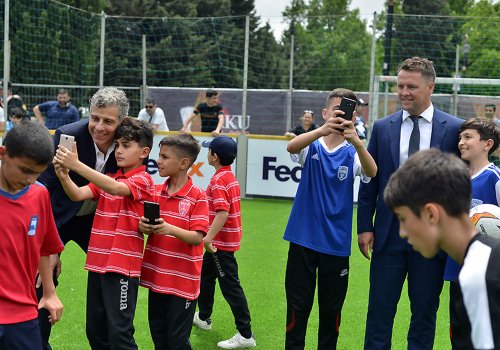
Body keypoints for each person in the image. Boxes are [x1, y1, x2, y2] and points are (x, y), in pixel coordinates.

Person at [357, 57, 464, 350]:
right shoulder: (381, 127)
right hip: (388, 235)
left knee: (424, 315)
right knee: (379, 312)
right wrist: (365, 226)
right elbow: (370, 179)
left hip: (432, 240)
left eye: (411, 86)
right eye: (400, 86)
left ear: (430, 87)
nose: (403, 92)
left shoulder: (454, 129)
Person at [283, 88, 377, 349]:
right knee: (296, 310)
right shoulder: (312, 142)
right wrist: (322, 130)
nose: (342, 116)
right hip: (302, 239)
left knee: (331, 314)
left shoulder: (352, 150)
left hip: (335, 245)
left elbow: (371, 171)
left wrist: (358, 141)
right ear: (325, 113)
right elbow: (291, 147)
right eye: (337, 110)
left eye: (349, 112)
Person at [53, 117, 155, 349]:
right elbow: (77, 195)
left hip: (121, 268)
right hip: (98, 264)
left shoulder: (143, 180)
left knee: (119, 333)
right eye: (117, 145)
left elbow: (117, 190)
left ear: (144, 152)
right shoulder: (110, 177)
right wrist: (64, 175)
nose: (118, 151)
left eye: (126, 146)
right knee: (95, 331)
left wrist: (77, 165)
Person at [384, 148, 500, 350]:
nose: (402, 232)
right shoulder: (481, 261)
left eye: (403, 219)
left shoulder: (479, 277)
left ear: (431, 214)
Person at [36, 87, 126, 349]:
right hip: (60, 219)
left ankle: (106, 343)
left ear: (122, 121)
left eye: (108, 121)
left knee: (110, 278)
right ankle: (39, 343)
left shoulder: (130, 140)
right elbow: (45, 188)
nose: (99, 126)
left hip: (98, 222)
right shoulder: (68, 135)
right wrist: (48, 245)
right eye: (95, 118)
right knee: (42, 276)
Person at [139, 133, 209, 349]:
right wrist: (143, 226)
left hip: (183, 283)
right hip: (156, 279)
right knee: (159, 337)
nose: (158, 161)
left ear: (183, 163)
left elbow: (197, 237)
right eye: (159, 156)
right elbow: (146, 226)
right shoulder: (155, 192)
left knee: (177, 341)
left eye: (164, 157)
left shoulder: (198, 196)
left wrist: (169, 229)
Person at [0, 121, 64, 349]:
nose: (30, 179)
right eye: (26, 170)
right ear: (3, 154)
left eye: (37, 174)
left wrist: (49, 292)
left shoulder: (39, 194)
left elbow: (45, 247)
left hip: (23, 313)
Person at [193, 136, 256, 349]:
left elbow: (222, 212)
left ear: (214, 156)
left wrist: (208, 238)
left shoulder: (219, 180)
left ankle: (246, 335)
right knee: (206, 277)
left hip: (219, 244)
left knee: (231, 287)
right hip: (223, 241)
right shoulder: (228, 176)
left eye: (209, 150)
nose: (207, 153)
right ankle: (203, 317)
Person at [441, 117, 500, 346]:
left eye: (468, 137)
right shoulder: (456, 179)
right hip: (457, 266)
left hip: (487, 270)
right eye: (460, 138)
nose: (461, 143)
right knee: (459, 332)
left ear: (487, 144)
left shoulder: (493, 177)